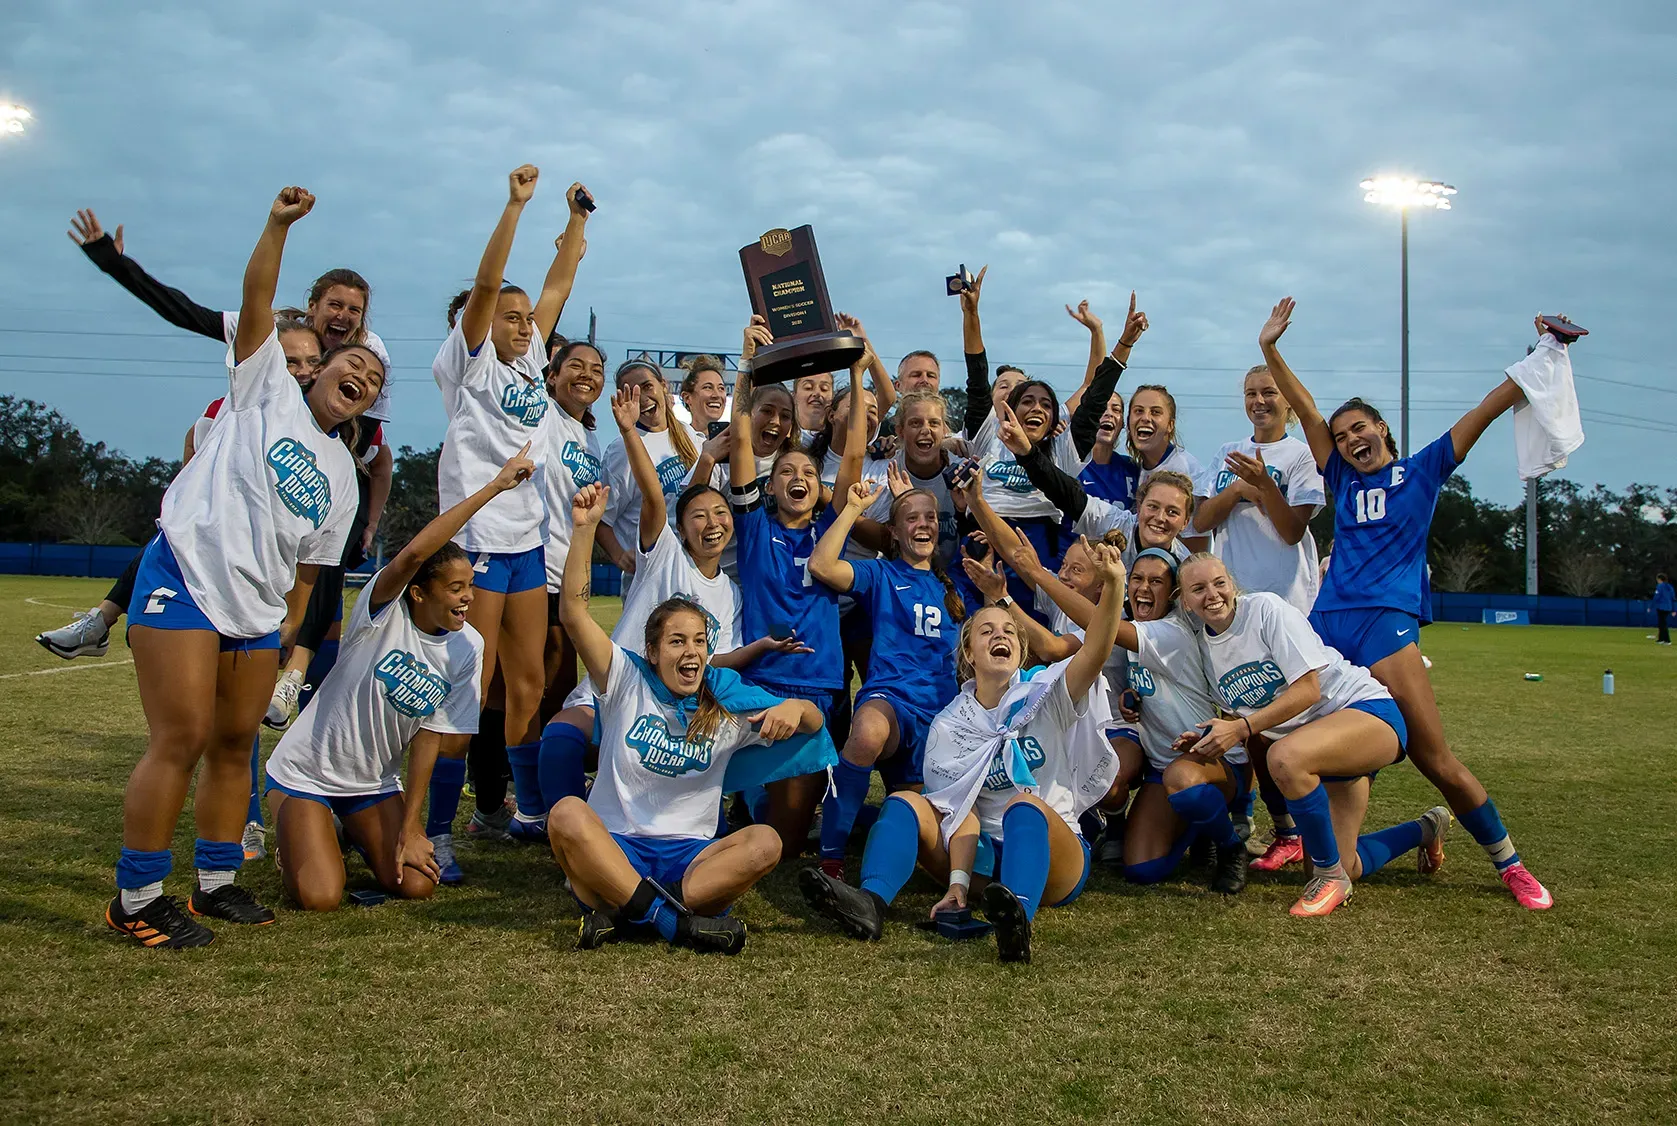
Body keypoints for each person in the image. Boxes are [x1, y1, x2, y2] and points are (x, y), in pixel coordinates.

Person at [105, 185, 385, 947]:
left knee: (234, 745)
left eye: (371, 375)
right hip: (188, 581)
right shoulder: (264, 384)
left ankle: (217, 881)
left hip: (257, 614)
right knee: (181, 737)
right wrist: (277, 225)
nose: (357, 372)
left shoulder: (341, 477)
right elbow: (256, 292)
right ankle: (136, 896)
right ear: (321, 369)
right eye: (347, 361)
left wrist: (285, 632)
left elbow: (306, 576)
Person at [1258, 297, 1553, 910]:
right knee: (1283, 732)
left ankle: (1509, 864)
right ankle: (1343, 844)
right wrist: (1270, 349)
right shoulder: (1340, 478)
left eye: (1359, 429)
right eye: (1340, 438)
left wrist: (1537, 366)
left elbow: (1483, 412)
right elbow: (1307, 409)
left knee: (1433, 756)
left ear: (1382, 429)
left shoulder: (1421, 472)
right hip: (1326, 632)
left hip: (1387, 629)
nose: (1349, 440)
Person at [59, 209, 398, 735]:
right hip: (243, 455)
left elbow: (373, 443)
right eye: (335, 303)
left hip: (307, 491)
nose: (345, 314)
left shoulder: (366, 361)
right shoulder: (273, 337)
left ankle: (294, 670)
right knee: (185, 526)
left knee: (322, 554)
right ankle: (104, 616)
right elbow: (184, 312)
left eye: (355, 309)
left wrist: (362, 504)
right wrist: (116, 264)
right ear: (313, 307)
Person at [801, 541, 1125, 963]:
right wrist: (956, 882)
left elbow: (1096, 650)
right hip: (984, 858)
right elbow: (958, 812)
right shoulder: (951, 723)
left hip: (1054, 858)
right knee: (903, 803)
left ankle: (1017, 921)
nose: (1000, 635)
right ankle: (869, 903)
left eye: (1008, 631)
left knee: (1023, 806)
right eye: (987, 631)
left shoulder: (1046, 694)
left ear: (1021, 651)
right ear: (969, 653)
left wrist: (1115, 583)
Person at [548, 483, 831, 954]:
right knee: (567, 815)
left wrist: (791, 708)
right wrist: (584, 530)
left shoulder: (726, 701)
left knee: (764, 842)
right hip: (617, 848)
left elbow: (815, 723)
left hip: (690, 859)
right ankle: (672, 922)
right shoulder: (625, 680)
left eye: (699, 642)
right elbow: (574, 611)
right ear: (653, 651)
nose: (691, 652)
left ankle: (630, 912)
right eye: (677, 642)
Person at [266, 448, 535, 910]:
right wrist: (494, 488)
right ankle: (302, 837)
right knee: (321, 896)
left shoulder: (467, 647)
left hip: (371, 785)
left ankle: (345, 830)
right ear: (418, 592)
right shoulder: (382, 611)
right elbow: (413, 553)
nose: (469, 598)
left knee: (415, 884)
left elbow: (431, 738)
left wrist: (413, 826)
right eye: (455, 588)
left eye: (470, 586)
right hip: (305, 774)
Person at [426, 165, 589, 881]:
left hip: (525, 544)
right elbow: (491, 286)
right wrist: (515, 207)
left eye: (528, 321)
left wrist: (578, 221)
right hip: (475, 543)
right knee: (470, 682)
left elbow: (557, 285)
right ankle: (435, 831)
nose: (525, 326)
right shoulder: (469, 367)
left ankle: (527, 810)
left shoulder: (527, 367)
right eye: (510, 317)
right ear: (481, 321)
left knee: (527, 681)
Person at [540, 386, 803, 823]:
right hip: (621, 687)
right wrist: (629, 432)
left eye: (721, 515)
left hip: (677, 708)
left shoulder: (732, 593)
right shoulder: (664, 555)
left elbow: (717, 658)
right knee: (561, 736)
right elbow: (653, 496)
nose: (713, 523)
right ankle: (561, 830)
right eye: (698, 516)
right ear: (681, 530)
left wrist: (761, 647)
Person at [1154, 554, 1450, 917]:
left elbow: (1308, 690)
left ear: (1232, 584)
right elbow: (1235, 713)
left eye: (1219, 583)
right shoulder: (1202, 648)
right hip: (1314, 747)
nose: (1211, 594)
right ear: (1185, 601)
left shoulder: (1264, 610)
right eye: (1198, 589)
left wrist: (1244, 728)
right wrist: (1211, 738)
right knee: (1348, 861)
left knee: (1284, 757)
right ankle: (1424, 828)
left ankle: (1330, 879)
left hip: (1364, 713)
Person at [725, 349, 874, 851]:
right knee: (753, 820)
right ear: (771, 484)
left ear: (820, 489)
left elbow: (853, 455)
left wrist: (856, 375)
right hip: (761, 681)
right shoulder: (753, 527)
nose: (800, 478)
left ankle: (820, 810)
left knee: (784, 838)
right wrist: (746, 366)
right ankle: (746, 802)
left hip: (819, 689)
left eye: (809, 474)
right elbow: (741, 436)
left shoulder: (830, 529)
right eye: (788, 472)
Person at [808, 480, 966, 877]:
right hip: (892, 701)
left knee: (913, 822)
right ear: (894, 533)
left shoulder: (956, 588)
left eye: (930, 517)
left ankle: (859, 815)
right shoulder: (881, 573)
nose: (923, 523)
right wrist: (851, 509)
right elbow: (821, 565)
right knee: (866, 734)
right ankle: (830, 860)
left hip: (942, 722)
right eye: (911, 518)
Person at [1193, 364, 1325, 614]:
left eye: (1269, 392)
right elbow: (1200, 522)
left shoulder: (1302, 456)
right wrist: (1237, 490)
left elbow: (1292, 532)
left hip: (1287, 597)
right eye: (1250, 393)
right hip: (1233, 596)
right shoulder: (1228, 452)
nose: (1259, 401)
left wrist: (1265, 485)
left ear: (1288, 400)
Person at [601, 358, 699, 586]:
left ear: (663, 385)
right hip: (650, 578)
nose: (642, 399)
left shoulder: (688, 434)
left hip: (692, 569)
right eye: (631, 393)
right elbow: (602, 520)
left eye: (647, 387)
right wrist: (619, 555)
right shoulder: (620, 451)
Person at [1653, 573, 1674, 645]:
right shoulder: (1670, 587)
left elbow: (1657, 596)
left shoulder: (1660, 586)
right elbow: (1673, 598)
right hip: (1668, 607)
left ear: (1659, 579)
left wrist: (1651, 606)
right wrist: (1673, 609)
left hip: (1661, 607)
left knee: (1663, 624)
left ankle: (1667, 640)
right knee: (1662, 623)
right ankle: (1661, 639)